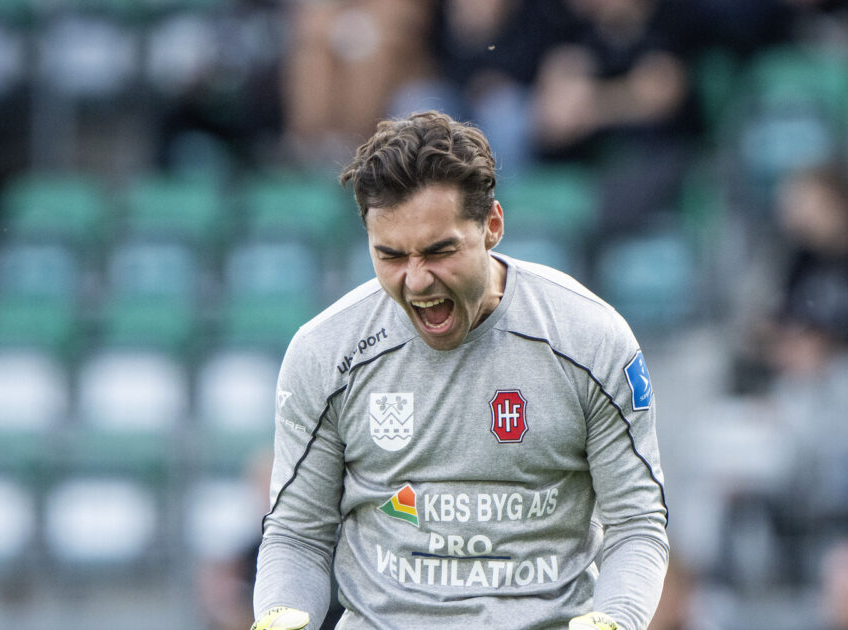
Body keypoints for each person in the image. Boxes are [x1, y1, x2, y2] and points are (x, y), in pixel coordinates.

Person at [251, 111, 669, 629]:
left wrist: (617, 621)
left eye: (439, 251)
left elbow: (637, 524)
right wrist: (281, 615)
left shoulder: (589, 341)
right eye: (391, 256)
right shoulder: (326, 352)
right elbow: (296, 534)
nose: (417, 280)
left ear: (492, 225)